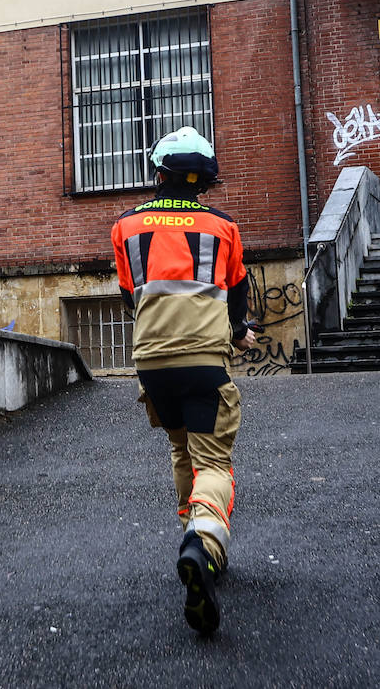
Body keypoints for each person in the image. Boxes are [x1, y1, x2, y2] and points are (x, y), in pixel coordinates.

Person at [110, 126, 256, 635]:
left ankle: (192, 530)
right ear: (204, 182)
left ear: (159, 174)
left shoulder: (126, 226)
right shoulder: (223, 226)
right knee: (214, 459)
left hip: (151, 363)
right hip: (204, 360)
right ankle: (203, 542)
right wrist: (239, 332)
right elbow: (237, 288)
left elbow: (132, 294)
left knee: (180, 450)